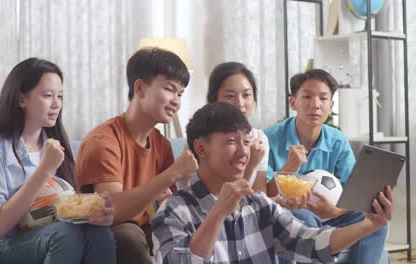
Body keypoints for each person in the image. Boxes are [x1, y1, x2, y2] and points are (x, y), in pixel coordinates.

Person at [152, 102, 393, 263]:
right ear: (201, 149)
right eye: (231, 141)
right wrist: (217, 214)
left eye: (246, 142)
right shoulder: (174, 212)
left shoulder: (258, 205)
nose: (243, 152)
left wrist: (369, 225)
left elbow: (311, 240)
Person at [0, 58, 116, 264]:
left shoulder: (57, 145)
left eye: (60, 97)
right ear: (21, 100)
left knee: (99, 233)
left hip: (46, 235)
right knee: (64, 234)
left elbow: (57, 209)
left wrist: (90, 213)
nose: (56, 104)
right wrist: (45, 169)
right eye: (47, 96)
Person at [75, 48, 198, 264]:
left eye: (180, 94)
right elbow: (113, 212)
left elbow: (168, 204)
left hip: (144, 228)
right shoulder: (103, 141)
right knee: (128, 235)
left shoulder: (161, 144)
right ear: (140, 87)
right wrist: (172, 174)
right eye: (170, 90)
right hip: (103, 233)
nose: (176, 102)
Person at [264, 68, 389, 264]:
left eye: (323, 99)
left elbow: (354, 190)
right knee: (305, 217)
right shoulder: (269, 138)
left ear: (331, 106)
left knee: (377, 222)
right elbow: (263, 196)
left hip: (330, 213)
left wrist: (334, 212)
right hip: (287, 213)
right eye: (307, 97)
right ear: (293, 102)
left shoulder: (337, 140)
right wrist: (289, 167)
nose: (315, 105)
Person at [206, 62, 268, 192]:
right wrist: (251, 165)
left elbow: (259, 199)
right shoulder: (204, 137)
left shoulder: (259, 138)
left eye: (246, 95)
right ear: (214, 99)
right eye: (230, 96)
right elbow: (213, 199)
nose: (240, 104)